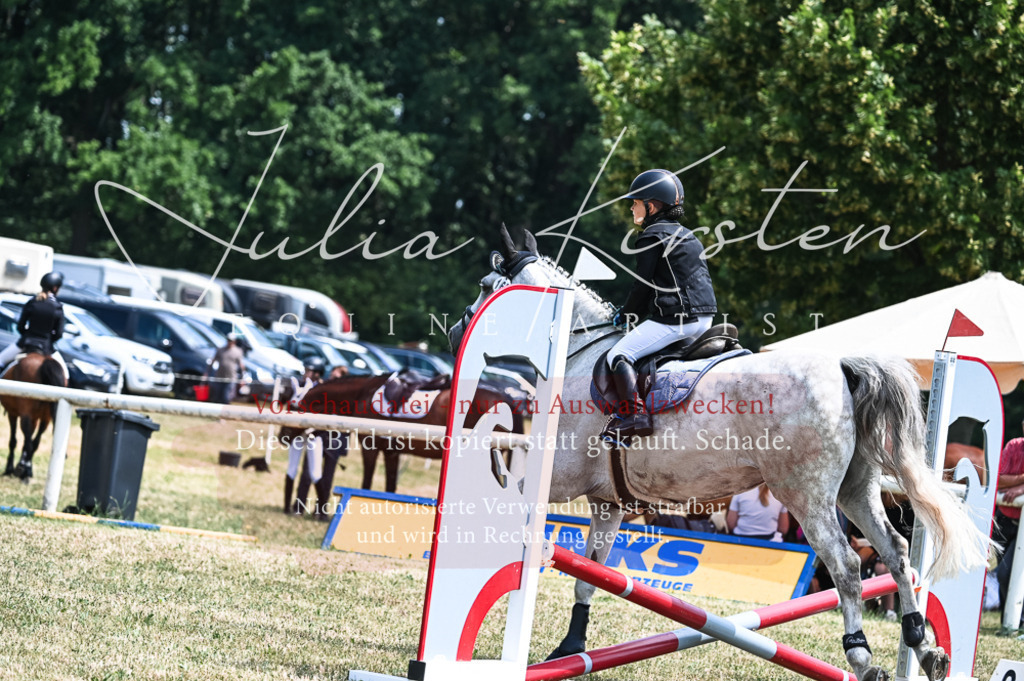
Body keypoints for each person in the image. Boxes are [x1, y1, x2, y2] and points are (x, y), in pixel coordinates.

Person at [601, 169, 717, 445]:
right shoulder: (688, 234)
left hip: (678, 318)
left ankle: (634, 416)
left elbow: (642, 286)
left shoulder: (651, 235)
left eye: (636, 202)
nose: (632, 207)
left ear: (651, 206)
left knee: (619, 355)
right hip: (706, 317)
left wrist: (627, 313)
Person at [0, 272, 68, 380]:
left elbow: (20, 326)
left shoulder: (32, 302)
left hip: (26, 343)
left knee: (1, 360)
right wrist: (49, 340)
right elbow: (59, 333)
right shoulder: (57, 307)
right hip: (46, 347)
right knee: (65, 374)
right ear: (55, 288)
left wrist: (27, 336)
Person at [284, 357, 328, 516]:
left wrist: (313, 430)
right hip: (297, 433)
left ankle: (322, 510)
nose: (305, 374)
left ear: (317, 374)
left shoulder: (323, 389)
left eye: (308, 371)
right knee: (291, 469)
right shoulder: (299, 385)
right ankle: (286, 507)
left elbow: (324, 414)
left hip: (313, 434)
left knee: (315, 473)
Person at [995, 436, 1024, 631]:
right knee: (1002, 573)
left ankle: (1015, 622)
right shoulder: (1014, 445)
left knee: (1005, 573)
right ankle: (1009, 622)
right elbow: (999, 479)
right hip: (1005, 519)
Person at [209, 334, 246, 404]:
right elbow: (213, 361)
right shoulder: (221, 350)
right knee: (216, 397)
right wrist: (207, 372)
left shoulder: (238, 351)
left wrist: (242, 379)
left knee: (226, 397)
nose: (229, 342)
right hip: (219, 377)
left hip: (231, 378)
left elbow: (241, 366)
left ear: (234, 341)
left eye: (231, 341)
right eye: (228, 340)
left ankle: (225, 412)